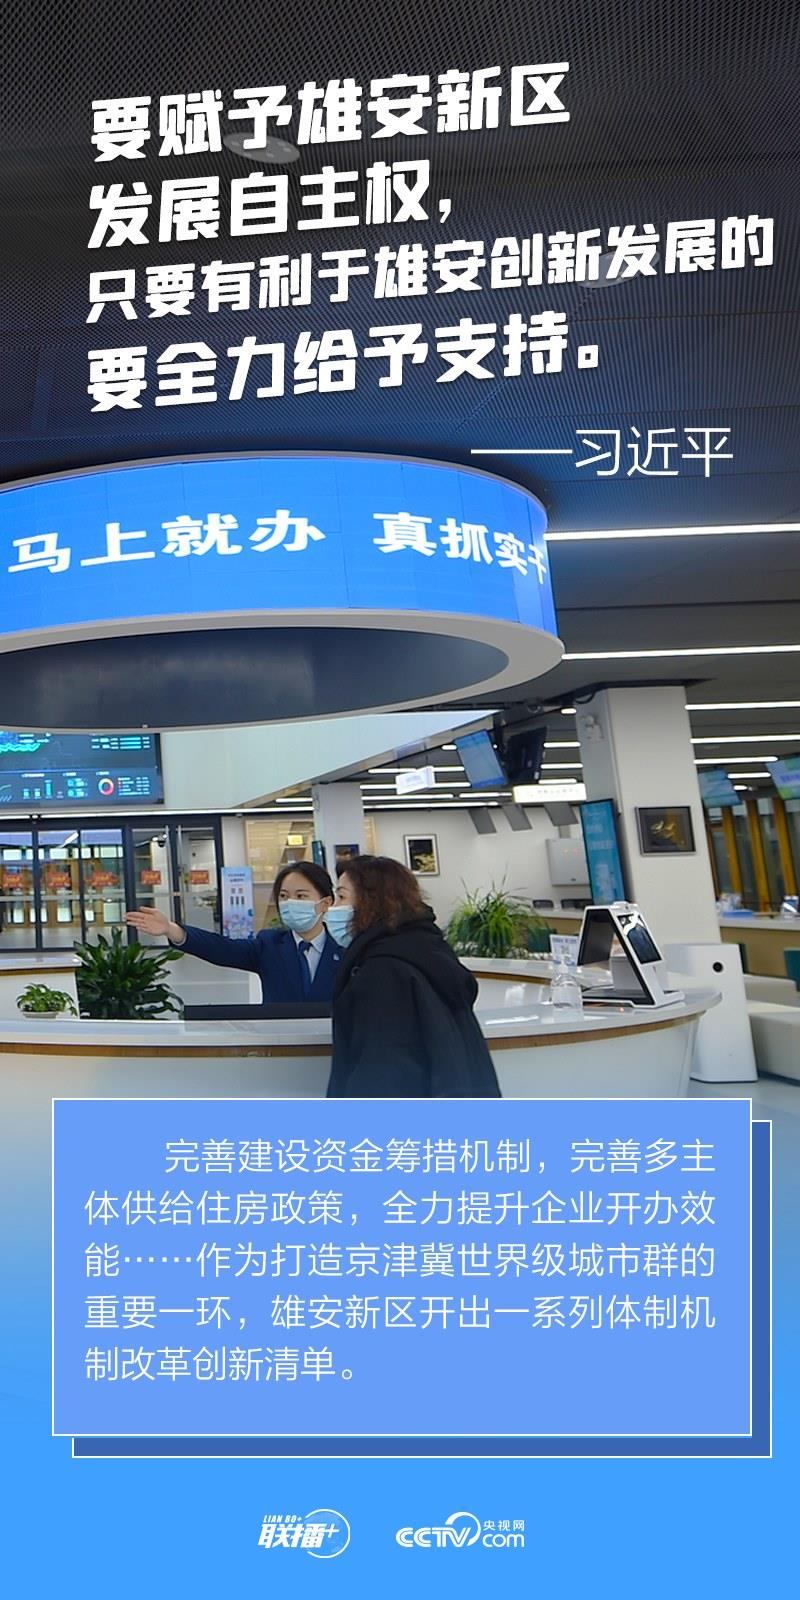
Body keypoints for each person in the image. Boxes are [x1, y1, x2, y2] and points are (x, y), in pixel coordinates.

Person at [322, 854, 500, 1098]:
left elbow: (382, 1071)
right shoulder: (426, 950)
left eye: (342, 897)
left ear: (371, 902)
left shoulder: (382, 971)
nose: (332, 909)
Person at [125, 862, 341, 1003]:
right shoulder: (269, 944)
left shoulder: (346, 949)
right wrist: (171, 929)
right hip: (281, 1045)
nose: (289, 902)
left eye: (301, 896)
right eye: (283, 896)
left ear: (325, 903)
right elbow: (221, 948)